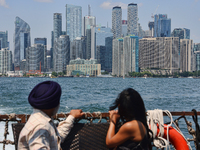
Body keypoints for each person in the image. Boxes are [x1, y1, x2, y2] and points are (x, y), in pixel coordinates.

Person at [18, 81, 84, 150]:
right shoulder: (41, 127)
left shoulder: (39, 118)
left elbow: (56, 139)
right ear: (54, 104)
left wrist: (71, 117)